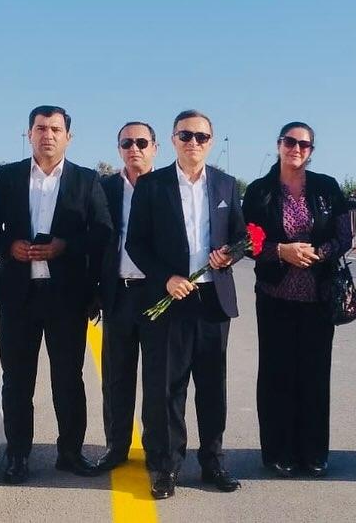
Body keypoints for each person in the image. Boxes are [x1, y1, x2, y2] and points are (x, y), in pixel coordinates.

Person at [126, 110, 246, 499]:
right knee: (165, 388)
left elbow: (242, 237)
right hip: (169, 299)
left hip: (213, 301)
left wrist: (230, 255)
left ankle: (213, 462)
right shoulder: (152, 185)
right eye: (185, 135)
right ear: (173, 139)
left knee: (212, 387)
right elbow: (136, 243)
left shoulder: (226, 184)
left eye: (201, 136)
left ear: (211, 141)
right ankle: (165, 466)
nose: (193, 142)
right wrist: (166, 278)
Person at [0, 105, 112, 484]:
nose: (48, 135)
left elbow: (102, 233)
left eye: (55, 129)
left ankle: (70, 453)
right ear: (29, 133)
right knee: (16, 380)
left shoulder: (86, 180)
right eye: (41, 128)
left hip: (66, 299)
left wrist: (65, 246)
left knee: (68, 380)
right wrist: (8, 245)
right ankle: (17, 454)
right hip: (18, 296)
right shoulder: (8, 177)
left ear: (68, 137)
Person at [241, 122, 351, 478]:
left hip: (318, 296)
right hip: (275, 296)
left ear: (311, 151)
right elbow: (247, 242)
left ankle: (314, 453)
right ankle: (279, 452)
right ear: (278, 145)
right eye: (290, 142)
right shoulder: (259, 191)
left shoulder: (326, 187)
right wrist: (281, 251)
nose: (297, 149)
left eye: (304, 144)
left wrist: (318, 254)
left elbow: (344, 237)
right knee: (277, 376)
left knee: (315, 376)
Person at [96, 121, 159, 471]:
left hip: (157, 296)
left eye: (141, 142)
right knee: (116, 377)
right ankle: (116, 447)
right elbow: (93, 240)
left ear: (155, 147)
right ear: (119, 148)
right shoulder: (105, 188)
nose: (134, 148)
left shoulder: (166, 187)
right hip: (118, 294)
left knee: (157, 379)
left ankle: (155, 449)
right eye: (126, 143)